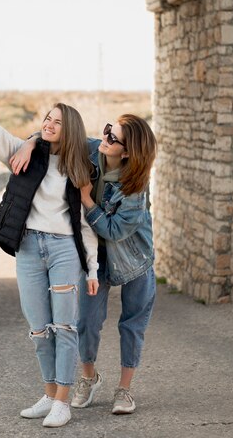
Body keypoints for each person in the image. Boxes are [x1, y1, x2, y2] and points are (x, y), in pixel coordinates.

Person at [0, 66, 99, 428]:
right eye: (47, 119)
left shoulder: (82, 167)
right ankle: (49, 394)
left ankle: (63, 401)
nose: (49, 124)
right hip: (29, 248)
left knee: (65, 326)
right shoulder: (25, 153)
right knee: (39, 328)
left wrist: (93, 267)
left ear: (71, 130)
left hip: (65, 248)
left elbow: (84, 222)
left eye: (57, 122)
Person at [10, 115, 157, 415]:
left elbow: (115, 230)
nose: (105, 138)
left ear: (127, 152)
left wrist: (87, 200)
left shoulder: (135, 188)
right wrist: (29, 142)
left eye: (113, 138)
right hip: (96, 255)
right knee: (86, 322)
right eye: (107, 131)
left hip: (134, 258)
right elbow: (58, 134)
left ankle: (124, 390)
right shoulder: (92, 150)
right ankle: (89, 378)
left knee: (132, 324)